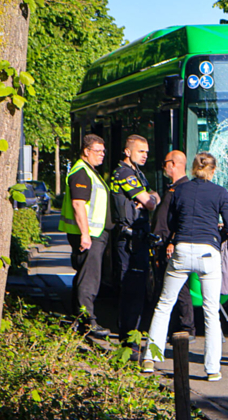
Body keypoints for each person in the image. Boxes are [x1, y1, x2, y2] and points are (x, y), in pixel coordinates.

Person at [143, 152, 228, 382]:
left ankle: (150, 358)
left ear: (193, 168)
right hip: (208, 252)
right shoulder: (220, 192)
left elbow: (172, 222)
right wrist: (217, 233)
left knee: (164, 304)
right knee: (210, 310)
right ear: (213, 171)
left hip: (182, 249)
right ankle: (212, 368)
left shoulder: (180, 190)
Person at [58, 134, 114, 338]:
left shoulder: (88, 171)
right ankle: (87, 321)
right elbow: (78, 204)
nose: (102, 155)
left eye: (103, 151)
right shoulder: (82, 173)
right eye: (98, 151)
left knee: (84, 277)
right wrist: (85, 234)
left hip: (92, 233)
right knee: (89, 279)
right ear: (86, 151)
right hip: (90, 234)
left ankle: (78, 319)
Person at [109, 135, 159, 352]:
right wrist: (152, 198)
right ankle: (130, 344)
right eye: (141, 151)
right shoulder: (126, 174)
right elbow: (149, 202)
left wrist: (149, 199)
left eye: (147, 152)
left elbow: (147, 200)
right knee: (132, 291)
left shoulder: (135, 173)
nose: (145, 155)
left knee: (136, 291)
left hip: (136, 238)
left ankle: (131, 340)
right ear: (127, 152)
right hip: (130, 240)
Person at [150, 150, 196, 340]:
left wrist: (173, 242)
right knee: (169, 287)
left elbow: (184, 219)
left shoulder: (183, 189)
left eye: (165, 163)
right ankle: (177, 328)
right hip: (163, 244)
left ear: (174, 164)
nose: (163, 167)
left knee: (179, 288)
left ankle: (186, 328)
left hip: (170, 246)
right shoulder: (174, 188)